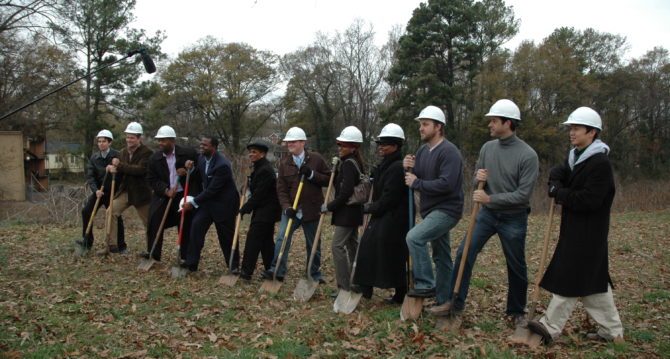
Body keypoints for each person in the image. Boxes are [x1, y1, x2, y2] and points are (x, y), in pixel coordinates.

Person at [438, 99, 539, 329]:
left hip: (514, 216)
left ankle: (516, 312)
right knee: (465, 252)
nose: (490, 125)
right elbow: (476, 178)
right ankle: (455, 303)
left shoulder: (528, 155)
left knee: (516, 263)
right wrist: (478, 180)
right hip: (487, 214)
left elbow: (523, 195)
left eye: (494, 121)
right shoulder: (487, 148)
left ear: (508, 122)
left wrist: (490, 198)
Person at [527, 107, 624, 344]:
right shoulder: (576, 158)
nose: (571, 132)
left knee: (569, 277)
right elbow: (560, 176)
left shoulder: (599, 163)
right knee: (594, 285)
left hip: (590, 232)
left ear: (592, 132)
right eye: (571, 128)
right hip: (574, 229)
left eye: (576, 128)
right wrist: (555, 181)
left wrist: (560, 193)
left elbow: (589, 200)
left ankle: (550, 327)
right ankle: (613, 332)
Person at [403, 105, 464, 302]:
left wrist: (417, 182)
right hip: (430, 210)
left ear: (438, 127)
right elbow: (419, 176)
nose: (421, 128)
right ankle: (444, 300)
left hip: (447, 210)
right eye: (421, 124)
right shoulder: (422, 151)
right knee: (441, 255)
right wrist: (409, 168)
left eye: (425, 124)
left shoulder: (449, 152)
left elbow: (447, 184)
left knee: (414, 237)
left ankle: (426, 284)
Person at [261, 127, 331, 282]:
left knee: (313, 243)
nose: (289, 144)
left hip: (312, 209)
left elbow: (328, 179)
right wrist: (286, 208)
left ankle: (314, 274)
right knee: (281, 239)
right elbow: (281, 190)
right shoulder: (284, 163)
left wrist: (312, 174)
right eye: (288, 142)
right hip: (292, 209)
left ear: (303, 142)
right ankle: (277, 270)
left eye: (293, 141)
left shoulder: (316, 159)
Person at [352, 123, 409, 304]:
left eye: (385, 144)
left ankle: (401, 292)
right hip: (383, 213)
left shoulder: (397, 167)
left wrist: (368, 208)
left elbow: (389, 198)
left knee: (392, 252)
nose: (380, 147)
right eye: (379, 144)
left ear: (396, 145)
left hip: (395, 216)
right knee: (368, 245)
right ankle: (364, 286)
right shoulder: (385, 165)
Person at [180, 136, 240, 273]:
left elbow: (212, 190)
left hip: (224, 204)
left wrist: (193, 202)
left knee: (226, 236)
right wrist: (190, 168)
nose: (202, 147)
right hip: (208, 204)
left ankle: (234, 265)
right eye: (201, 144)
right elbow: (199, 174)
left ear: (214, 147)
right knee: (196, 227)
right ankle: (191, 263)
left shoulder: (222, 165)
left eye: (205, 145)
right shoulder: (201, 159)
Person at [142, 125, 199, 262]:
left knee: (184, 224)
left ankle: (185, 256)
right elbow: (151, 179)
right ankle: (153, 253)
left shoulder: (188, 153)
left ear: (172, 141)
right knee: (154, 219)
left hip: (183, 194)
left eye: (164, 140)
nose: (160, 143)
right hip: (164, 195)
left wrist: (189, 170)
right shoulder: (154, 159)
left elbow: (199, 169)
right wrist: (165, 190)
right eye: (159, 140)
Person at [321, 126, 365, 296]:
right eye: (339, 144)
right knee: (353, 246)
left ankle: (344, 286)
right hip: (353, 213)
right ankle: (358, 282)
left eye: (344, 145)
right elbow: (341, 186)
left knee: (337, 246)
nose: (340, 148)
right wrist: (336, 171)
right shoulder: (352, 163)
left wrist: (329, 206)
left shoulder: (349, 164)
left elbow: (345, 193)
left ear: (354, 147)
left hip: (347, 214)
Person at [107, 122, 154, 254]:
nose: (129, 140)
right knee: (111, 212)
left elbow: (140, 170)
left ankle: (151, 250)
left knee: (148, 223)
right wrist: (113, 169)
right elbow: (121, 170)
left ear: (139, 138)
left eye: (132, 137)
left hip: (141, 193)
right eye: (127, 137)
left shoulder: (148, 153)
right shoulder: (123, 152)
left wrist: (120, 165)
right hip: (126, 191)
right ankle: (112, 245)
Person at [238, 141, 281, 280]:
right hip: (262, 210)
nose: (251, 154)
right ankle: (272, 269)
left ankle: (246, 271)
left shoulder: (266, 170)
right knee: (266, 241)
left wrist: (244, 209)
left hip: (267, 210)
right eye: (250, 152)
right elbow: (255, 189)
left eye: (254, 152)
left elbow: (259, 195)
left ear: (262, 154)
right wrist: (245, 188)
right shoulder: (258, 168)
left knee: (253, 239)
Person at [77, 129, 124, 252]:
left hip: (112, 192)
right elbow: (90, 176)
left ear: (110, 143)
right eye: (99, 141)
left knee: (115, 216)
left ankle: (121, 245)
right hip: (99, 192)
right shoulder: (94, 157)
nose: (101, 144)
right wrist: (96, 190)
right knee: (86, 211)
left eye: (104, 141)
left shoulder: (117, 156)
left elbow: (123, 173)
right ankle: (87, 242)